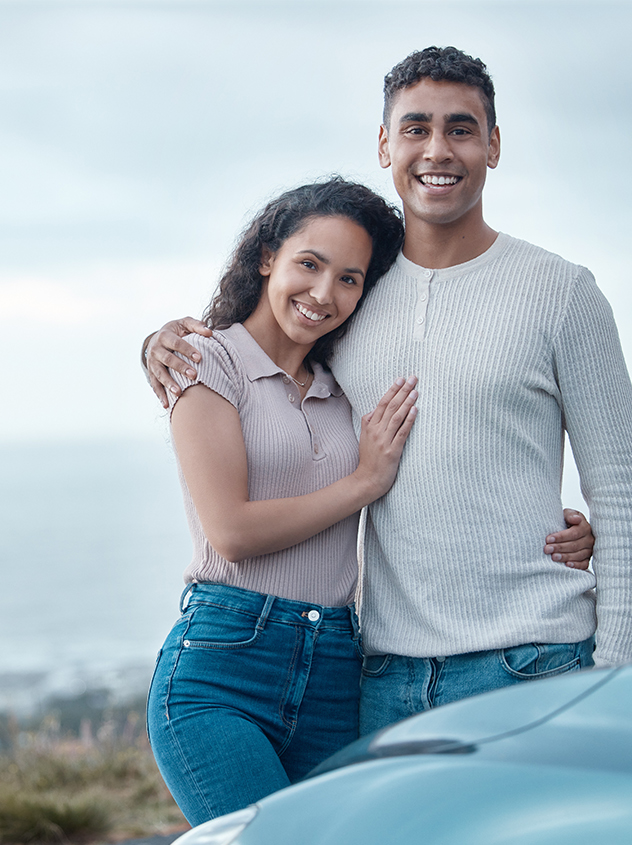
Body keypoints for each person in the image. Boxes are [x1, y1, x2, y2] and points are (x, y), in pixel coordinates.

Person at [142, 46, 632, 737]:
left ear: (493, 145)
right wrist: (156, 344)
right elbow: (265, 368)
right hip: (382, 681)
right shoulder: (353, 297)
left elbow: (622, 496)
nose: (437, 149)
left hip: (536, 663)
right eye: (415, 128)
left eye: (461, 129)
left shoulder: (561, 293)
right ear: (385, 146)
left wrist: (614, 675)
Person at [148, 177, 419, 825]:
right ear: (267, 254)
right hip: (224, 667)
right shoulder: (206, 361)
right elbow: (231, 530)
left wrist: (562, 527)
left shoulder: (348, 383)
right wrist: (361, 483)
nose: (324, 293)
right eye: (309, 263)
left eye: (350, 278)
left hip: (335, 669)